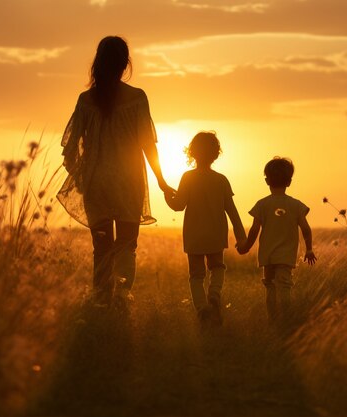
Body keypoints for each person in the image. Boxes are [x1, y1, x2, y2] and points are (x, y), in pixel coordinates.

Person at [57, 36, 174, 308]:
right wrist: (161, 180)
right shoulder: (137, 98)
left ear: (98, 62)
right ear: (125, 64)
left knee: (102, 248)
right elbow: (148, 143)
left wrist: (82, 176)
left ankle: (101, 300)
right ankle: (121, 297)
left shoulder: (86, 100)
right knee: (126, 245)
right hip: (129, 181)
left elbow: (70, 147)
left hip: (96, 183)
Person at [164, 132, 246, 327]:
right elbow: (232, 211)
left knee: (196, 275)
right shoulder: (221, 180)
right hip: (216, 234)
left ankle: (202, 309)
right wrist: (241, 236)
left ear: (192, 153)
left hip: (194, 235)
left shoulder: (187, 177)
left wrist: (167, 195)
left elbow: (178, 206)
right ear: (216, 154)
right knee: (217, 267)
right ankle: (215, 294)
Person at [237, 157, 316, 323]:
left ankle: (272, 320)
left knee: (270, 287)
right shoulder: (296, 205)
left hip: (267, 256)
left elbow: (254, 230)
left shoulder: (262, 205)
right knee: (284, 287)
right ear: (289, 182)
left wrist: (245, 247)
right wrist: (309, 249)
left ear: (267, 181)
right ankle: (285, 320)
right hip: (286, 257)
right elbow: (306, 229)